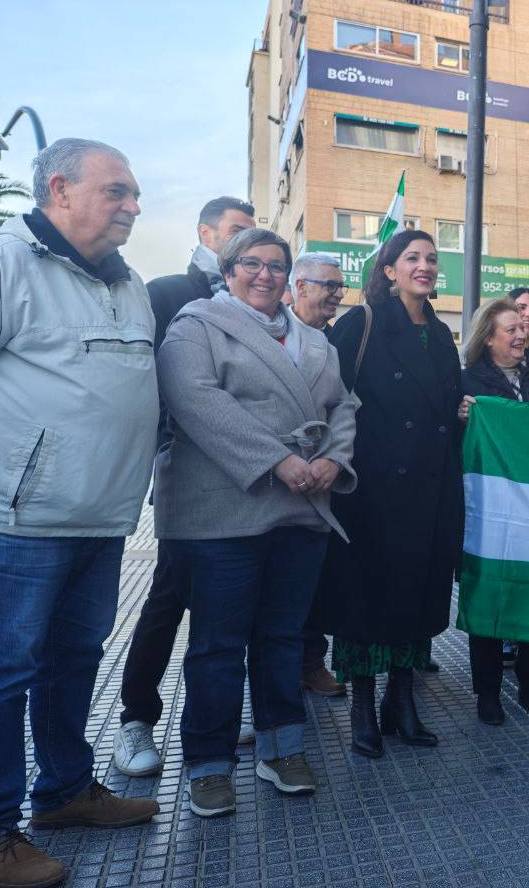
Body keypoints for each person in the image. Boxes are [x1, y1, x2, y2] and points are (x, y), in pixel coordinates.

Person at [0, 138, 160, 888]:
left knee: (75, 661)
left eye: (135, 194)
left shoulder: (129, 280)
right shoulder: (3, 262)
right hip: (20, 520)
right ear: (60, 190)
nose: (134, 207)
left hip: (103, 516)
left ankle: (63, 793)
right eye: (117, 191)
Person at [154, 228, 356, 818]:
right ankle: (209, 763)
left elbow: (343, 405)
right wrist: (279, 460)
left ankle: (281, 747)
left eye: (277, 266)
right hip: (224, 507)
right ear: (228, 268)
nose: (265, 275)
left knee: (282, 635)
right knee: (218, 643)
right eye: (252, 263)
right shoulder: (195, 325)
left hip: (302, 506)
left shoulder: (315, 339)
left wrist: (330, 460)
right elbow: (195, 399)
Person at [113, 195, 256, 778]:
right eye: (237, 232)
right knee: (168, 599)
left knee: (229, 607)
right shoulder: (170, 291)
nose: (249, 245)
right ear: (207, 233)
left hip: (247, 481)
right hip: (188, 475)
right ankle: (135, 719)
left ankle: (212, 712)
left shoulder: (255, 302)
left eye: (255, 234)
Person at [320, 230, 463, 758]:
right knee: (365, 599)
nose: (424, 266)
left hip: (431, 487)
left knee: (419, 594)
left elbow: (445, 405)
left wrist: (462, 411)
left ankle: (402, 698)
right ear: (388, 270)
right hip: (371, 489)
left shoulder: (443, 335)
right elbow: (327, 399)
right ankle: (362, 703)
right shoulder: (362, 323)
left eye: (431, 258)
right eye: (412, 258)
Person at [458, 298, 529, 725]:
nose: (522, 333)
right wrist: (460, 418)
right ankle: (487, 693)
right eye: (510, 329)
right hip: (488, 514)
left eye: (524, 327)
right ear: (487, 337)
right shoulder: (466, 381)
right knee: (489, 598)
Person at [287, 252, 350, 699]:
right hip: (272, 478)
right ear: (301, 286)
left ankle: (311, 662)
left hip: (322, 479)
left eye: (340, 287)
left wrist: (333, 459)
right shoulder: (268, 331)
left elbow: (345, 405)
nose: (337, 295)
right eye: (329, 286)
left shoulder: (336, 340)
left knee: (314, 581)